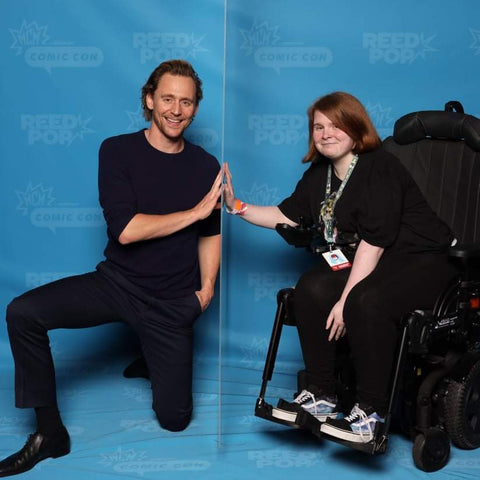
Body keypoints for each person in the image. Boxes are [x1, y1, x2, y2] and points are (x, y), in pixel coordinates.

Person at [0, 59, 222, 477]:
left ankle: (150, 357)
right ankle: (49, 434)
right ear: (149, 99)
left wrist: (207, 289)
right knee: (22, 312)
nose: (177, 110)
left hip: (172, 302)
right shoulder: (116, 150)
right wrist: (194, 212)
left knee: (175, 420)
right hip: (117, 284)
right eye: (168, 98)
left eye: (187, 102)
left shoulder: (205, 166)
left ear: (196, 108)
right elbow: (125, 231)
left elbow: (211, 232)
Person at [224, 91, 458, 444]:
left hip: (427, 259)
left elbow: (374, 242)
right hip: (382, 260)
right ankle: (321, 394)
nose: (326, 133)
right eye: (319, 126)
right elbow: (286, 215)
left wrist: (345, 302)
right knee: (311, 288)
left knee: (364, 301)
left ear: (355, 127)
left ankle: (371, 414)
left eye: (336, 125)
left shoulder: (380, 166)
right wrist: (236, 205)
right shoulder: (321, 174)